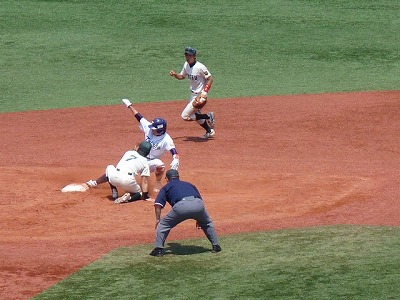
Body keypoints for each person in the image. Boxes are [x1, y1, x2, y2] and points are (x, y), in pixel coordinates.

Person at [149, 169, 221, 257]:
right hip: (198, 204)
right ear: (178, 177)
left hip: (181, 206)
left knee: (163, 224)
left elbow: (158, 205)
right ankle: (216, 246)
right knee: (207, 223)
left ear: (167, 178)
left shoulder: (166, 187)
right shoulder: (189, 184)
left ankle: (159, 249)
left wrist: (157, 219)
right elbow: (200, 200)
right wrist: (199, 217)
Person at [121, 98, 180, 192]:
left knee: (160, 165)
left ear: (161, 130)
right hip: (139, 157)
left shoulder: (166, 139)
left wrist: (176, 159)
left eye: (154, 129)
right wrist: (129, 106)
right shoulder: (149, 128)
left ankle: (157, 182)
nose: (152, 130)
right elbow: (139, 116)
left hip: (151, 161)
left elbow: (173, 151)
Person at [169, 47, 216, 139]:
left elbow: (210, 79)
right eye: (186, 54)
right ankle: (209, 131)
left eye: (189, 55)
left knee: (185, 116)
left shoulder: (200, 67)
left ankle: (208, 116)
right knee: (197, 117)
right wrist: (175, 75)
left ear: (194, 56)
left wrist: (205, 92)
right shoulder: (186, 65)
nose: (187, 56)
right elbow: (182, 76)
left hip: (200, 96)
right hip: (192, 95)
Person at [85, 140, 152, 204]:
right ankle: (129, 198)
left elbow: (135, 150)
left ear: (139, 148)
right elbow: (144, 181)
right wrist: (145, 196)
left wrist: (136, 148)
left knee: (110, 167)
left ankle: (101, 185)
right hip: (127, 181)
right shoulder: (145, 162)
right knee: (140, 193)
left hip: (114, 177)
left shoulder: (129, 152)